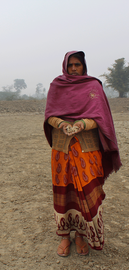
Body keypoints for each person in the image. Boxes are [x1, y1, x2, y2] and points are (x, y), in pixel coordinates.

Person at [44, 51, 122, 257]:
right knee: (63, 189)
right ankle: (63, 235)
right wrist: (60, 123)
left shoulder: (93, 86)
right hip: (62, 148)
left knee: (86, 190)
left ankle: (80, 234)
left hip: (87, 147)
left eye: (77, 65)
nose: (74, 69)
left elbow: (101, 117)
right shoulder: (57, 86)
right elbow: (49, 115)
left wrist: (81, 124)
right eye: (70, 65)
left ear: (83, 66)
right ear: (65, 66)